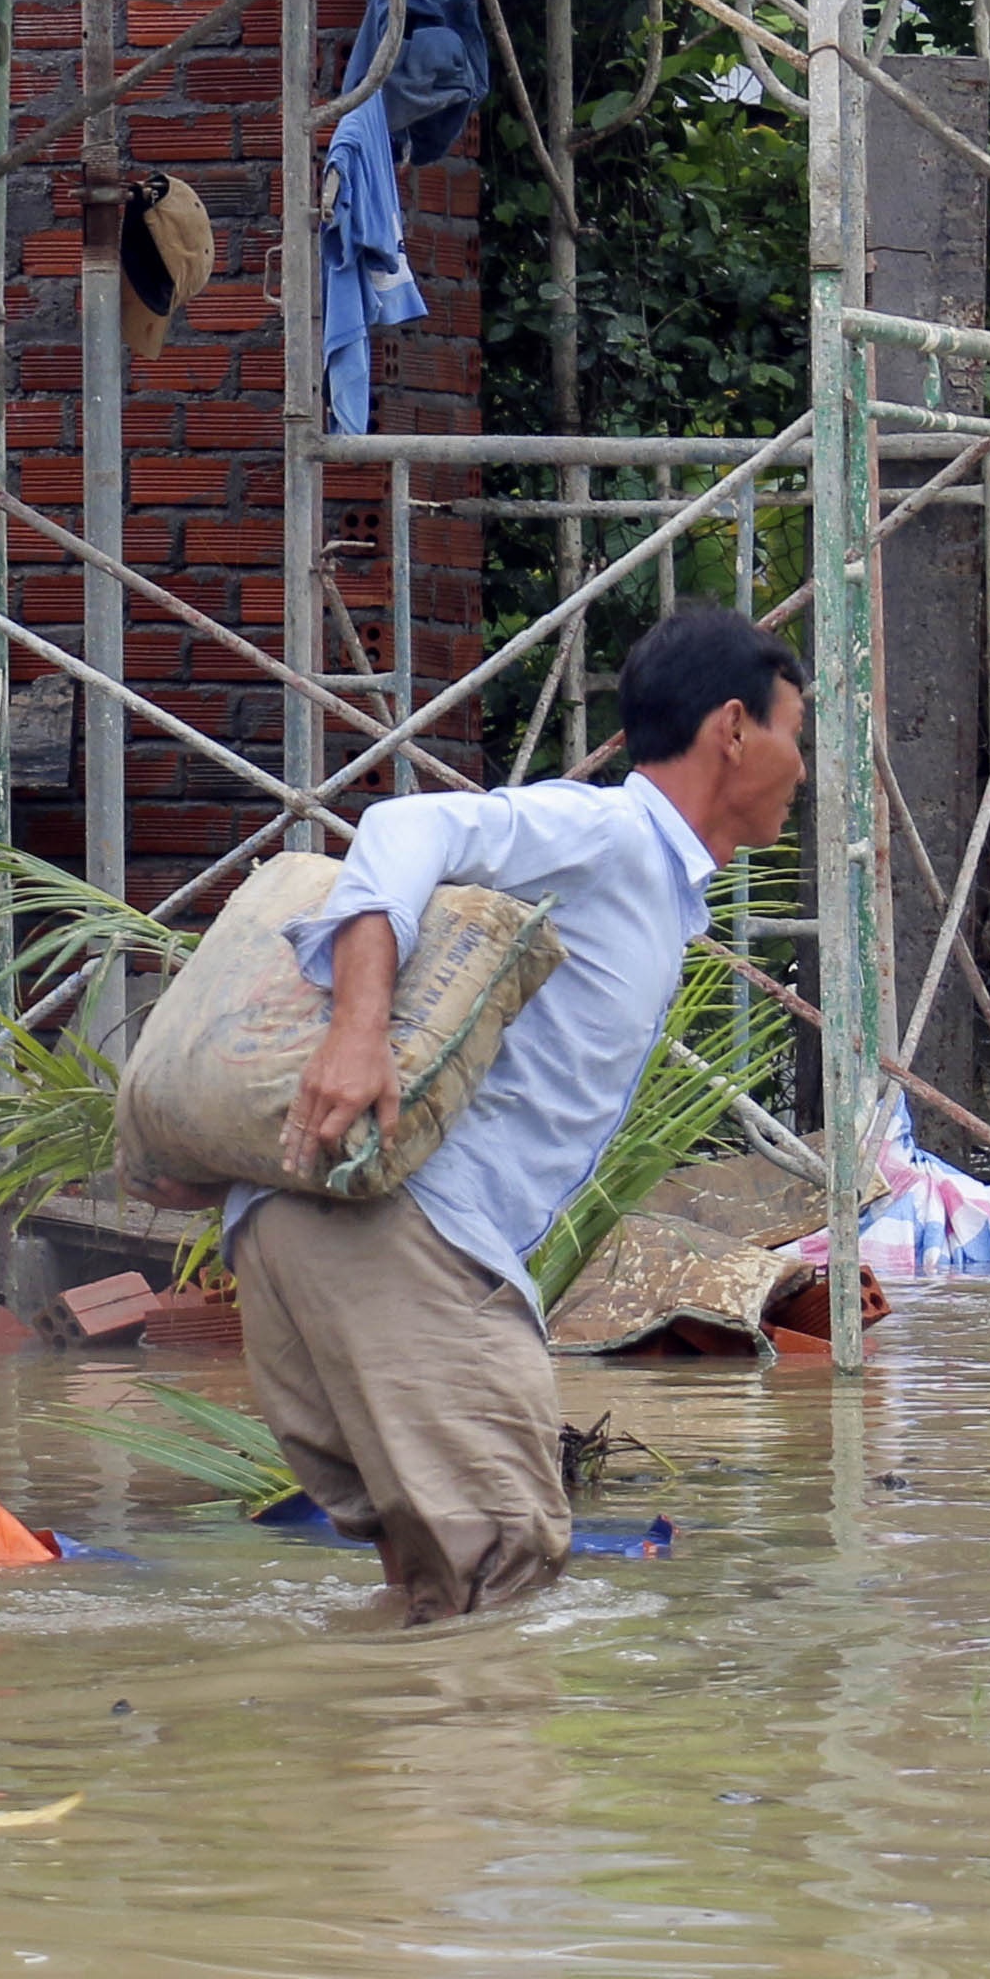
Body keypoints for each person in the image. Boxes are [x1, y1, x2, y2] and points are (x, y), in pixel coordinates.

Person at [242, 606, 812, 1620]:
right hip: (404, 1238)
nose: (802, 772)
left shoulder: (650, 884)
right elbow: (403, 824)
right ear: (734, 729)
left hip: (312, 1229)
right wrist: (358, 1030)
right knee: (506, 1575)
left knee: (438, 1599)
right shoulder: (611, 835)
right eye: (793, 738)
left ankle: (336, 1765)